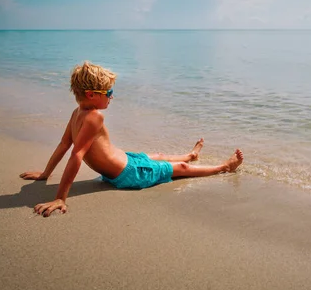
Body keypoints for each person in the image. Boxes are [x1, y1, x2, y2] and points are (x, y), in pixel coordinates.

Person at [20, 61, 244, 217]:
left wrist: (45, 174)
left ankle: (191, 154)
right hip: (129, 175)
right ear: (91, 95)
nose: (112, 96)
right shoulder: (94, 117)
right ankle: (224, 167)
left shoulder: (77, 111)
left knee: (156, 156)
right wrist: (60, 197)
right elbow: (75, 154)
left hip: (125, 160)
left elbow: (63, 145)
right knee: (180, 168)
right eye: (108, 93)